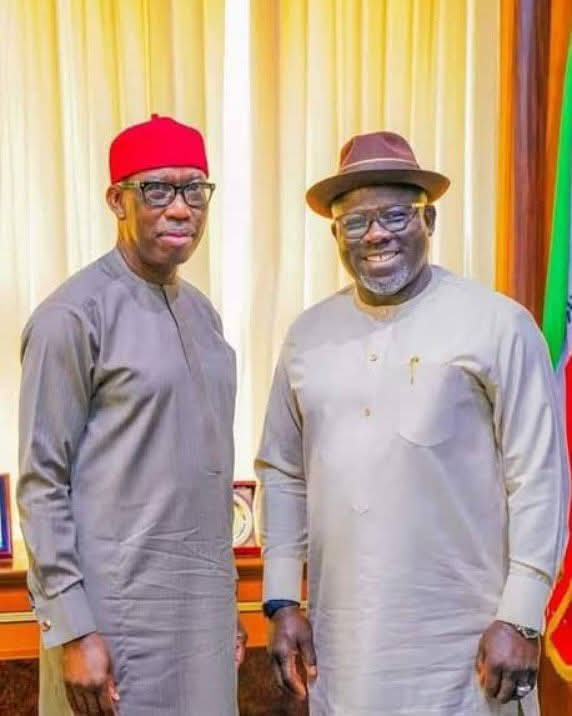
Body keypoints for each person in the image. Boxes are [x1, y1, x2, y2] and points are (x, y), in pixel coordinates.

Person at [256, 131, 568, 715]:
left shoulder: (498, 325)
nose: (376, 234)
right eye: (355, 222)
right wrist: (282, 600)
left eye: (396, 216)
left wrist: (522, 617)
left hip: (466, 652)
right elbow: (282, 472)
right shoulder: (307, 336)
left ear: (430, 220)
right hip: (342, 652)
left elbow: (540, 478)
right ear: (336, 236)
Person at [18, 114, 245, 716]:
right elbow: (42, 484)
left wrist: (227, 605)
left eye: (195, 189)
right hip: (112, 623)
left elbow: (208, 478)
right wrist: (73, 630)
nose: (181, 208)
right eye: (157, 190)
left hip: (202, 621)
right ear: (117, 200)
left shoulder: (205, 318)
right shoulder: (71, 317)